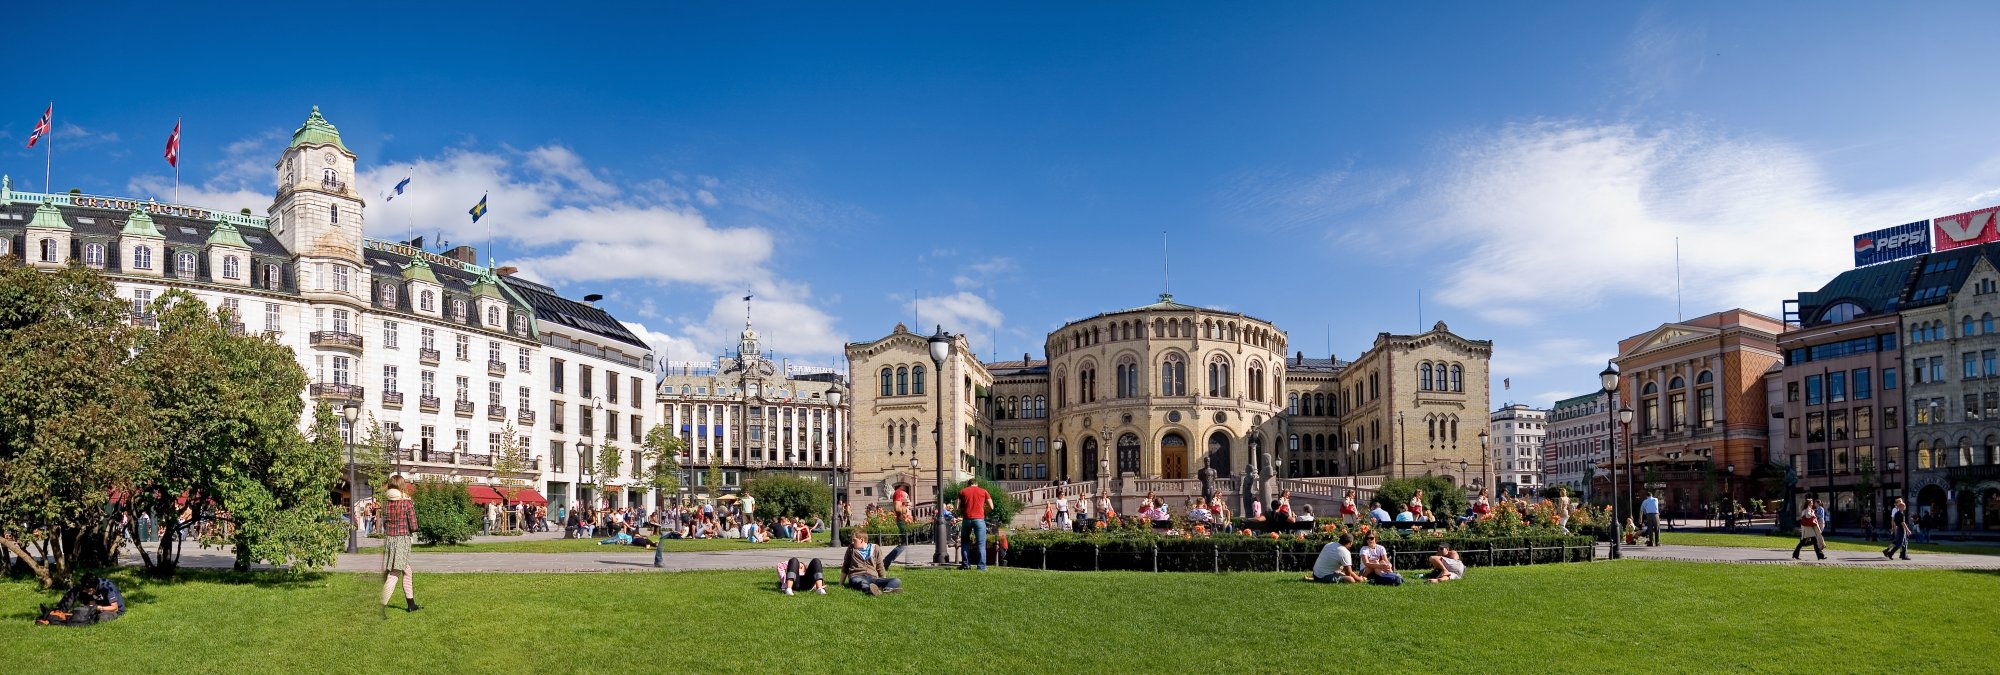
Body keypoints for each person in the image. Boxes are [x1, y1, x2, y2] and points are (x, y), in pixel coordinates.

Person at [379, 477, 421, 613]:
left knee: (407, 571)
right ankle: (381, 606)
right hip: (402, 540)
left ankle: (411, 604)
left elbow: (384, 523)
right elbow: (414, 526)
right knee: (395, 573)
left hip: (390, 539)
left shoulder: (386, 503)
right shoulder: (406, 503)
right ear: (402, 486)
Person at [841, 530, 905, 595]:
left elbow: (880, 566)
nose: (852, 542)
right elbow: (845, 566)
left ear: (862, 540)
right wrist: (841, 583)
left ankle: (887, 589)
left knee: (896, 580)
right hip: (856, 577)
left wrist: (883, 580)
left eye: (854, 540)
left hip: (873, 578)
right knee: (863, 583)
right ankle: (871, 590)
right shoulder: (851, 549)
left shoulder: (875, 548)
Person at [958, 480, 994, 571]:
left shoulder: (962, 491)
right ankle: (981, 567)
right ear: (977, 484)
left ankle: (966, 565)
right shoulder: (984, 491)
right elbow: (991, 506)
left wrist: (963, 510)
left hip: (966, 519)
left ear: (968, 484)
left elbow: (956, 507)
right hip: (979, 520)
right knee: (981, 544)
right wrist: (985, 512)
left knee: (965, 542)